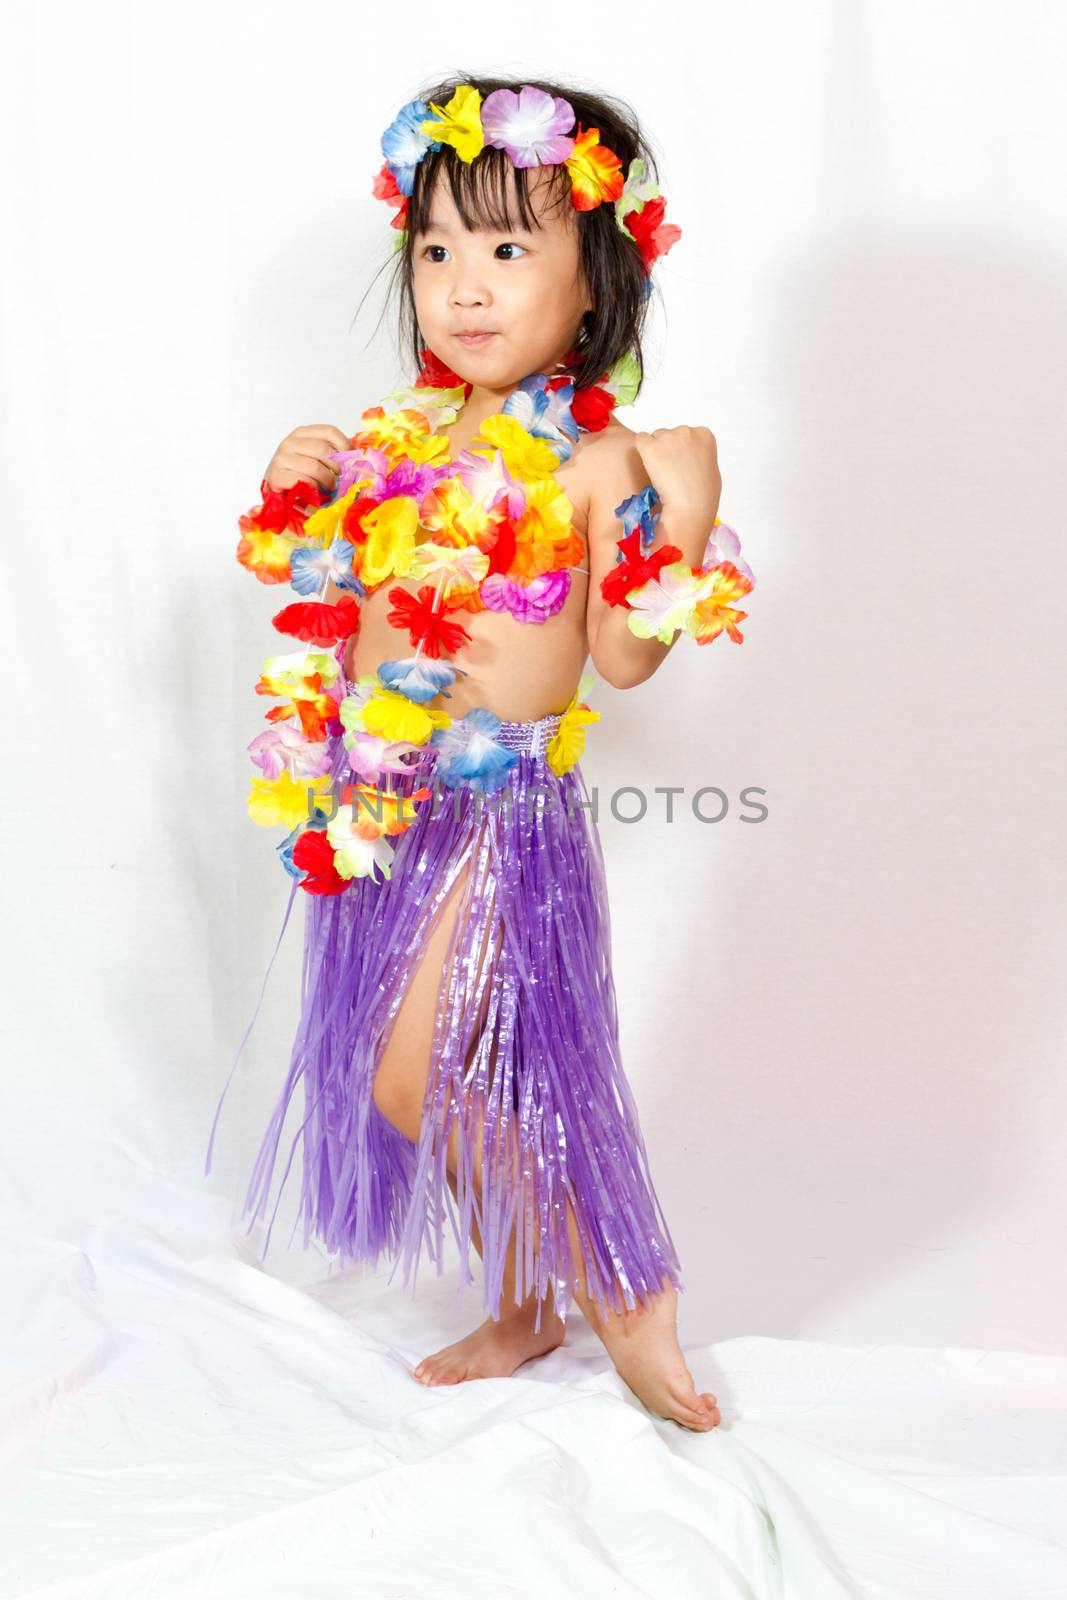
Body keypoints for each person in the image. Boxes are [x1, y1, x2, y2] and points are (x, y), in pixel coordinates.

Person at [207, 75, 755, 1434]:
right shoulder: (398, 438)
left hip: (504, 808)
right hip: (383, 796)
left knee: (428, 1067)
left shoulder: (594, 453)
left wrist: (685, 509)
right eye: (439, 249)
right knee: (443, 1078)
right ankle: (521, 1302)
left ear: (591, 285)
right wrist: (305, 487)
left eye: (509, 250)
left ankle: (629, 1291)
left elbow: (624, 657)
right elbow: (342, 601)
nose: (463, 284)